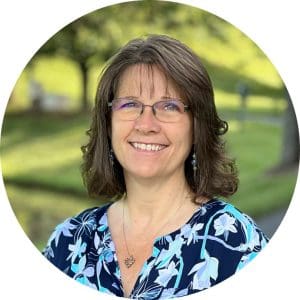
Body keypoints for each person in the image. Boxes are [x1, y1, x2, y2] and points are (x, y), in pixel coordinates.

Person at [43, 34, 268, 299]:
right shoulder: (69, 240)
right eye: (130, 104)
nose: (146, 124)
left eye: (169, 106)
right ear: (108, 123)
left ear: (198, 127)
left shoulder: (236, 243)